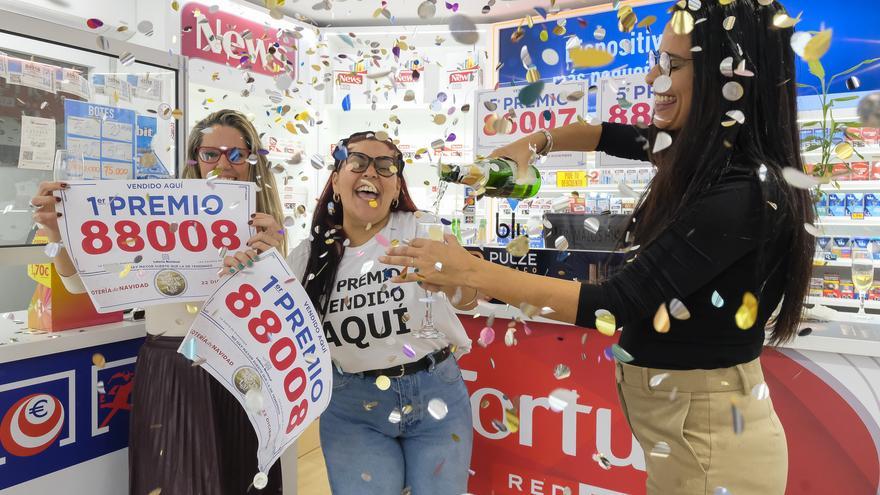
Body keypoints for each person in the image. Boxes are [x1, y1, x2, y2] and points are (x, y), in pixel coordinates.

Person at [381, 1, 813, 493]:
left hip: (711, 451)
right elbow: (608, 135)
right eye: (657, 60)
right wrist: (533, 144)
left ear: (727, 76)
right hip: (688, 439)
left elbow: (614, 305)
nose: (654, 78)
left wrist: (471, 273)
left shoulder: (741, 193)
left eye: (672, 65)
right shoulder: (699, 154)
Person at [30, 109, 288, 494]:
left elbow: (283, 315)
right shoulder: (157, 214)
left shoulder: (270, 226)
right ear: (194, 159)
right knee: (175, 482)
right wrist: (56, 231)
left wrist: (270, 262)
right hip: (173, 367)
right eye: (210, 154)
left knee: (244, 481)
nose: (224, 165)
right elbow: (78, 284)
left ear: (253, 161)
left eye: (237, 154)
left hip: (242, 369)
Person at [226, 131, 477, 495]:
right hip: (352, 406)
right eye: (357, 162)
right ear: (336, 182)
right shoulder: (308, 256)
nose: (371, 173)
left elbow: (466, 300)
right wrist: (252, 267)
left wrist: (459, 278)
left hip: (436, 392)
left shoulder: (423, 230)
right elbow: (271, 326)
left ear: (395, 188)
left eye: (385, 167)